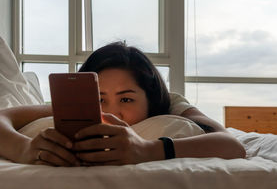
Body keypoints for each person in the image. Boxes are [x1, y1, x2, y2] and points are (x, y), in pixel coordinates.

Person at [0, 42, 246, 166]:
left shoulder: (169, 103)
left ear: (150, 100)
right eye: (99, 98)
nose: (109, 110)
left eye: (126, 99)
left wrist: (146, 151)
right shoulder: (77, 103)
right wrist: (24, 149)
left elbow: (230, 144)